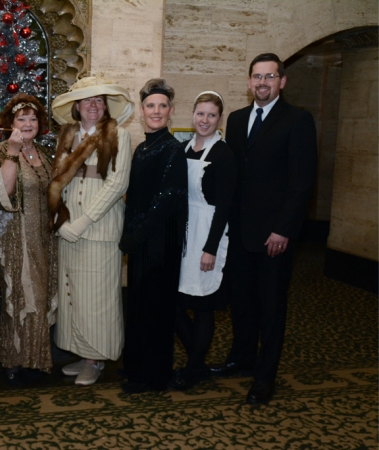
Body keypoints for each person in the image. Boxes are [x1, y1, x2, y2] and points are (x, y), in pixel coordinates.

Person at [211, 53, 317, 404]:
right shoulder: (238, 120)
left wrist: (283, 230)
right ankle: (242, 359)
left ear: (282, 82)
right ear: (248, 81)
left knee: (271, 308)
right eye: (257, 76)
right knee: (241, 303)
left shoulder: (298, 120)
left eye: (269, 77)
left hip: (275, 237)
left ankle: (265, 377)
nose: (262, 83)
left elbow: (302, 184)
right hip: (240, 233)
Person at [48, 76, 134, 386]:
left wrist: (83, 222)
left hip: (97, 232)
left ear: (106, 106)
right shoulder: (67, 137)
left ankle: (95, 360)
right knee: (74, 296)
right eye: (87, 100)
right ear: (77, 107)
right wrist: (61, 222)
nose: (93, 105)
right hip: (68, 230)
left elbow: (117, 184)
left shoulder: (118, 135)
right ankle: (82, 354)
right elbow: (59, 182)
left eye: (99, 100)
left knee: (98, 298)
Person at [119, 78, 188, 393]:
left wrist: (136, 236)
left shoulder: (173, 149)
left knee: (156, 310)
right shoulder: (143, 147)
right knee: (139, 306)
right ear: (142, 111)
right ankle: (137, 368)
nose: (156, 111)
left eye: (162, 106)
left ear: (170, 112)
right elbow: (135, 198)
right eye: (151, 106)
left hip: (161, 244)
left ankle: (154, 376)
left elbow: (166, 200)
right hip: (141, 242)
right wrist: (130, 235)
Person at [169, 91, 237, 391]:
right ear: (192, 115)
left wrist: (210, 249)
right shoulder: (182, 149)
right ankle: (197, 359)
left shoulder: (224, 154)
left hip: (209, 232)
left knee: (204, 305)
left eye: (211, 115)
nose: (205, 120)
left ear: (218, 118)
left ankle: (194, 368)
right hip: (185, 231)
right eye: (200, 114)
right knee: (174, 301)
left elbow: (225, 207)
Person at [0, 94, 58, 384]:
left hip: (43, 238)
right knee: (18, 297)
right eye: (21, 118)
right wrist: (14, 152)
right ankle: (12, 359)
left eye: (33, 118)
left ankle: (35, 359)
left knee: (39, 299)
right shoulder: (2, 151)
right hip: (14, 238)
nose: (28, 123)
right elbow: (3, 193)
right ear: (10, 123)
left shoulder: (43, 152)